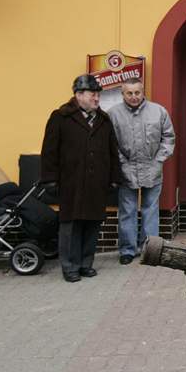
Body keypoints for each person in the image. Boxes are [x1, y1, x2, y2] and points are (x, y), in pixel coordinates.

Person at [40, 74, 120, 282]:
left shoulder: (103, 119)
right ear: (79, 95)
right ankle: (70, 266)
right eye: (93, 94)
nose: (97, 98)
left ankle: (86, 264)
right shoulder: (60, 117)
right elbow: (49, 150)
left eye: (97, 95)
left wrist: (114, 177)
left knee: (92, 224)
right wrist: (49, 178)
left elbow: (113, 151)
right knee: (71, 225)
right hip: (71, 181)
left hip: (97, 182)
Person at [108, 78, 175, 265]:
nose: (134, 96)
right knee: (127, 211)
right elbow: (110, 143)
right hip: (126, 170)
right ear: (123, 94)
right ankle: (127, 250)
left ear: (143, 91)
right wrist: (121, 163)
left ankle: (150, 250)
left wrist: (159, 160)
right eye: (129, 93)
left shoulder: (158, 111)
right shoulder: (113, 114)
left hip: (152, 169)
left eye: (137, 92)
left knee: (150, 210)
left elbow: (168, 137)